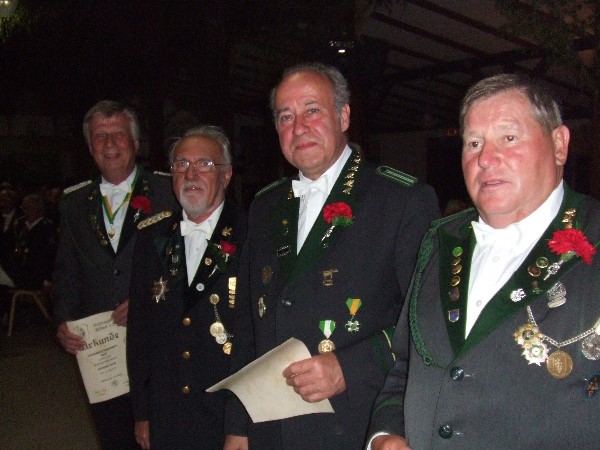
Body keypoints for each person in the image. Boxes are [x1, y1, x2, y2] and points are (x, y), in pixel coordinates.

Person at [368, 73, 600, 449]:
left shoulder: (594, 235)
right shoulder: (440, 240)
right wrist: (385, 434)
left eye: (509, 138)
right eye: (474, 143)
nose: (486, 159)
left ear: (559, 145)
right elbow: (404, 364)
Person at [223, 62, 439, 450]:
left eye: (312, 110)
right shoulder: (266, 205)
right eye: (286, 117)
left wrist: (349, 367)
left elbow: (424, 321)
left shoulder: (400, 199)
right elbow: (248, 324)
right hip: (271, 427)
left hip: (354, 421)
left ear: (343, 116)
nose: (298, 127)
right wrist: (239, 423)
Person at [53, 100, 179, 450]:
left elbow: (186, 263)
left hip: (158, 345)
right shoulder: (74, 203)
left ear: (136, 143)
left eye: (118, 134)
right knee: (115, 439)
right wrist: (63, 320)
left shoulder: (169, 191)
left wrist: (148, 300)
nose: (109, 143)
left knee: (162, 437)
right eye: (100, 136)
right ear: (89, 146)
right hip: (101, 354)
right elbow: (66, 272)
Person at [127, 125, 247, 450]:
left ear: (226, 175)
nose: (190, 174)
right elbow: (139, 333)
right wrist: (142, 412)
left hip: (228, 416)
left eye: (204, 164)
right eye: (181, 164)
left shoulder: (251, 234)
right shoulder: (152, 237)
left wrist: (246, 423)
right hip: (167, 413)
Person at [10, 193, 57, 293]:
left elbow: (51, 256)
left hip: (37, 278)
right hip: (20, 276)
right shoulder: (20, 225)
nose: (26, 212)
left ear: (40, 210)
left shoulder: (47, 229)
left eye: (29, 208)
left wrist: (47, 280)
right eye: (24, 208)